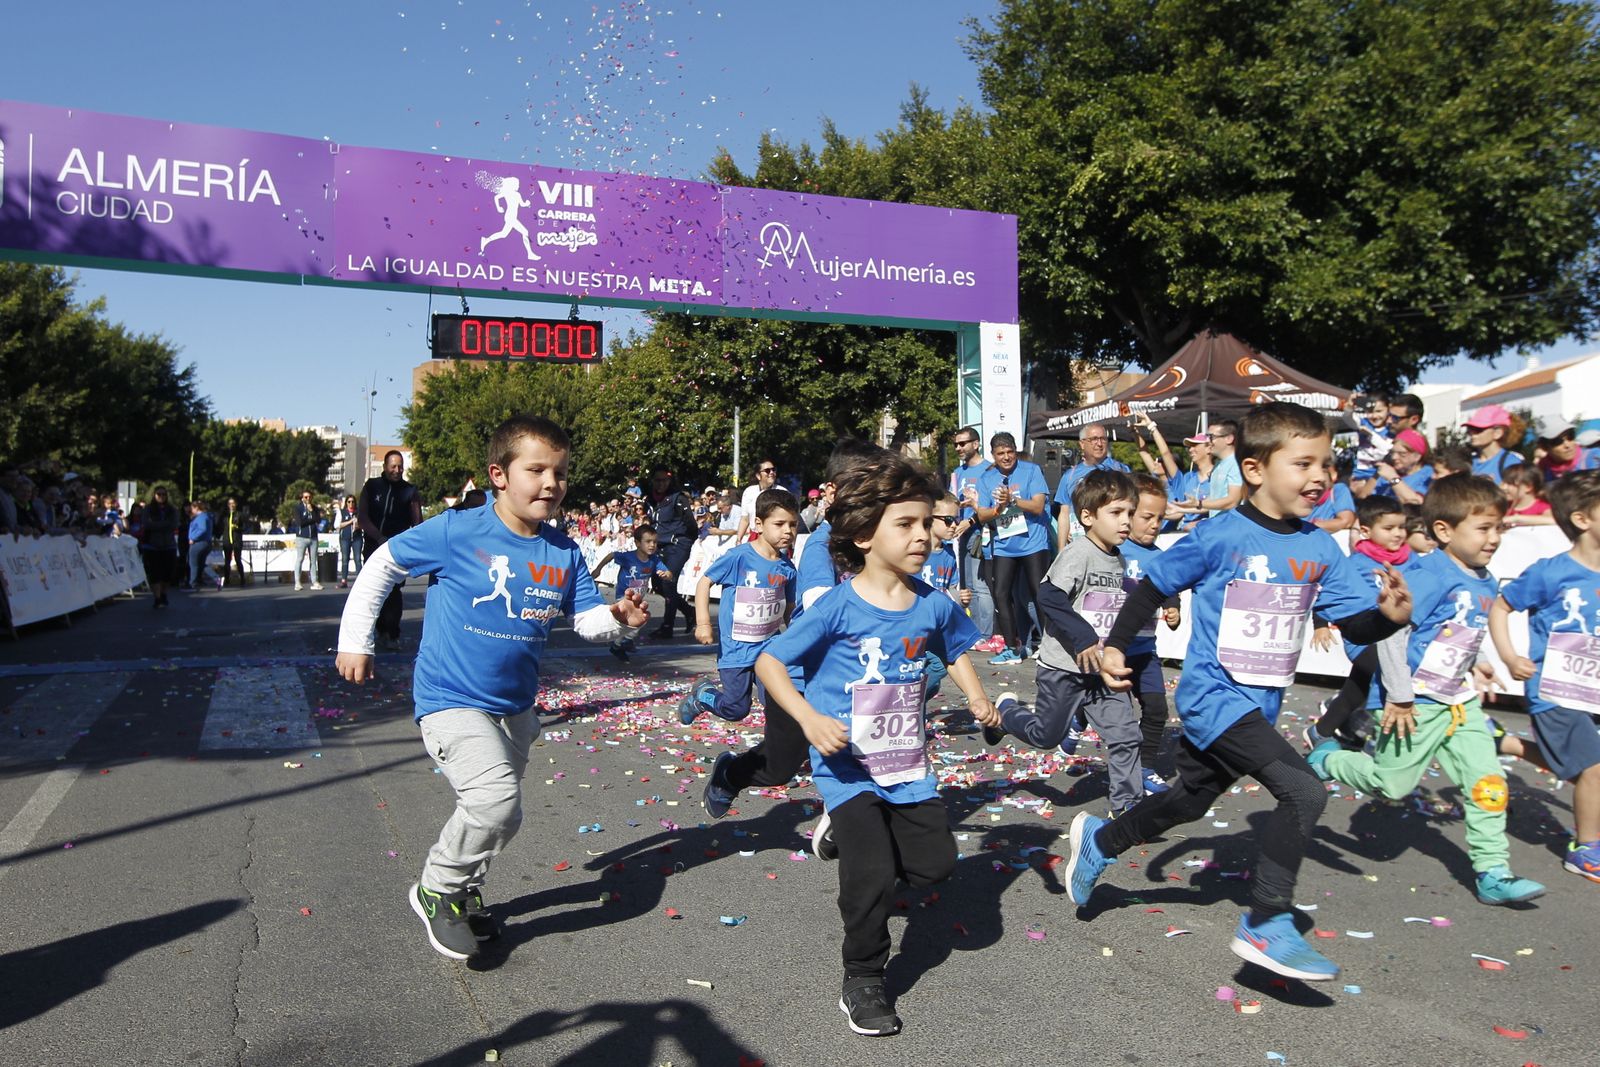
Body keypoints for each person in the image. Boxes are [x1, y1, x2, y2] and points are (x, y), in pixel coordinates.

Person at [1068, 402, 1411, 982]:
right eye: (1303, 463)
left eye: (1326, 464)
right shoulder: (1221, 535)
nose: (1320, 476)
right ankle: (1266, 920)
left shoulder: (1322, 548)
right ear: (1254, 469)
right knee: (1304, 792)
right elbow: (1152, 584)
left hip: (1260, 705)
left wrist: (1388, 618)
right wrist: (1118, 645)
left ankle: (1101, 841)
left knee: (1190, 800)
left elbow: (1354, 624)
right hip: (1213, 697)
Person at [335, 415, 648, 960]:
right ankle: (436, 889)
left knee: (500, 812)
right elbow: (384, 564)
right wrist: (355, 639)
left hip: (516, 708)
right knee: (495, 800)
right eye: (536, 470)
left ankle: (462, 890)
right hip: (450, 699)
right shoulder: (459, 529)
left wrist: (618, 617)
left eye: (561, 472)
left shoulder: (564, 551)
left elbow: (587, 622)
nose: (551, 483)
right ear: (498, 475)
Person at [752, 450, 1001, 1037]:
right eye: (907, 524)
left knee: (936, 868)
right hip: (847, 765)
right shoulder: (839, 606)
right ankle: (863, 978)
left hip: (906, 764)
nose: (924, 535)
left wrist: (976, 696)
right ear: (864, 535)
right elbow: (771, 661)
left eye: (928, 523)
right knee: (871, 876)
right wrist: (810, 719)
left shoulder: (933, 603)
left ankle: (847, 836)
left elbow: (956, 645)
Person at [1310, 475, 1546, 905]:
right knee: (1391, 786)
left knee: (1488, 783)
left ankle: (1493, 872)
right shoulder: (1429, 574)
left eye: (1499, 528)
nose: (1494, 539)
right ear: (1444, 530)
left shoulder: (1484, 577)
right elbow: (1391, 632)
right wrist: (1399, 695)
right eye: (1484, 528)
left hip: (1458, 703)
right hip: (1412, 703)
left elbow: (1455, 630)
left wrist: (1477, 663)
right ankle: (1329, 758)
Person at [700, 439, 886, 825]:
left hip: (856, 673)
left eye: (876, 489)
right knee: (779, 767)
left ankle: (857, 824)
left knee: (871, 750)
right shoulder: (822, 547)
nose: (871, 500)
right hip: (807, 677)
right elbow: (820, 604)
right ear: (833, 491)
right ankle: (730, 773)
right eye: (861, 489)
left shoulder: (877, 539)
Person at [988, 469, 1145, 816]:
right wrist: (1084, 637)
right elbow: (1049, 596)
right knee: (1046, 737)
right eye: (1117, 513)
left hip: (1100, 670)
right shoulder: (1079, 553)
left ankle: (1128, 806)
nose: (1126, 521)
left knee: (1125, 735)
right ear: (1087, 517)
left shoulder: (1117, 558)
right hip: (1064, 669)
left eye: (1130, 514)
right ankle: (1007, 714)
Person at [1491, 468, 1600, 885]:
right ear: (1582, 519)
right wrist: (1510, 655)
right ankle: (1585, 848)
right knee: (1593, 769)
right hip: (1552, 688)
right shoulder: (1551, 572)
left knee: (1579, 769)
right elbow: (1502, 606)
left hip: (1590, 689)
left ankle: (1508, 743)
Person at [1305, 496, 1420, 751]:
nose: (1398, 534)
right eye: (1389, 528)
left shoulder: (1411, 560)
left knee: (1356, 689)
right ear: (1366, 531)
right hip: (1363, 637)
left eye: (1401, 527)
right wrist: (1321, 624)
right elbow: (1329, 593)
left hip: (1398, 638)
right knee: (1388, 678)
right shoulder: (1356, 563)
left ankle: (1321, 730)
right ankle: (1381, 741)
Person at [682, 488, 800, 736]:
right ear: (758, 523)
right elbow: (704, 583)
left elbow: (789, 609)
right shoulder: (739, 557)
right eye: (779, 524)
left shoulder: (788, 568)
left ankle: (775, 756)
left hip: (770, 649)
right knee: (736, 709)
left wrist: (799, 638)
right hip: (736, 649)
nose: (788, 531)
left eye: (793, 524)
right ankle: (703, 696)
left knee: (777, 705)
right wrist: (703, 623)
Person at [1116, 473, 1182, 792]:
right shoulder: (1112, 550)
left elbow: (1170, 590)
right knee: (1112, 713)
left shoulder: (1160, 557)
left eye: (1159, 518)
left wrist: (1173, 609)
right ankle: (1077, 721)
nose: (1155, 524)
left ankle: (1145, 766)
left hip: (1143, 649)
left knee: (1156, 709)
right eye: (1147, 517)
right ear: (1128, 513)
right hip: (1107, 651)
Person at [972, 432, 1051, 665]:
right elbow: (982, 514)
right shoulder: (987, 479)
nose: (1006, 457)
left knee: (1040, 593)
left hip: (1033, 542)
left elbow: (1038, 506)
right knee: (1000, 594)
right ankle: (1011, 648)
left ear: (1016, 450)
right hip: (1005, 545)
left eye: (1010, 452)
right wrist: (998, 508)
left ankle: (1049, 646)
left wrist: (1013, 501)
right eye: (1001, 453)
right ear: (993, 456)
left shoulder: (1031, 471)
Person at [359, 451, 423, 649]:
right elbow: (363, 517)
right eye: (393, 466)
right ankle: (378, 630)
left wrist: (413, 546)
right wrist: (378, 537)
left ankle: (393, 634)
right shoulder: (372, 486)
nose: (397, 470)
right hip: (373, 545)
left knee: (394, 592)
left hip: (397, 549)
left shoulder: (409, 491)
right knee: (374, 591)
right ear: (385, 467)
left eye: (400, 466)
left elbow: (418, 522)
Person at [591, 524, 670, 662]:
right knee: (632, 621)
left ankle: (620, 643)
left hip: (638, 597)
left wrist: (666, 575)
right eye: (648, 541)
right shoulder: (628, 557)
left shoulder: (654, 560)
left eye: (655, 542)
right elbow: (611, 555)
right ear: (637, 543)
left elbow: (669, 573)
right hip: (623, 596)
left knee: (638, 621)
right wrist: (598, 569)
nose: (652, 545)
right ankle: (620, 644)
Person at [949, 426, 999, 649]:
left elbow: (994, 507)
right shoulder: (958, 472)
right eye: (956, 444)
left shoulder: (989, 470)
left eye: (963, 443)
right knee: (967, 585)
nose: (958, 448)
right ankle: (975, 633)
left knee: (980, 586)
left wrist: (970, 520)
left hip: (983, 533)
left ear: (976, 444)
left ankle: (985, 634)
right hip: (961, 534)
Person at [1053, 421, 1131, 548]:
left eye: (1103, 439)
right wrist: (1061, 549)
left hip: (1115, 546)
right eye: (1094, 439)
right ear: (1082, 444)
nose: (1099, 444)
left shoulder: (1121, 470)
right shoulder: (1070, 475)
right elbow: (1064, 513)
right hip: (1080, 544)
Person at [645, 467, 698, 638]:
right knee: (657, 583)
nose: (661, 484)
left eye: (664, 481)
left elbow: (690, 523)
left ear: (669, 481)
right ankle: (689, 611)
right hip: (660, 545)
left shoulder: (678, 498)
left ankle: (667, 626)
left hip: (678, 544)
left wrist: (685, 540)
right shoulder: (650, 500)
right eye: (657, 480)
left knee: (668, 581)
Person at [139, 486, 180, 609]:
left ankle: (164, 593)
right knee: (154, 573)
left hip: (168, 545)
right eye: (158, 494)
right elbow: (146, 524)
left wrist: (157, 525)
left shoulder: (172, 510)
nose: (161, 496)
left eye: (163, 494)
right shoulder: (148, 509)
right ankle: (157, 597)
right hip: (152, 546)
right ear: (154, 495)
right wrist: (162, 525)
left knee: (167, 573)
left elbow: (173, 524)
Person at [1375, 428, 1432, 506]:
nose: (1394, 457)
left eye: (1402, 454)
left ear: (1417, 456)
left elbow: (1416, 503)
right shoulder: (1388, 472)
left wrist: (1393, 479)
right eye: (1392, 453)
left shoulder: (1428, 475)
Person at [1465, 404, 1520, 483]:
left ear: (1497, 433)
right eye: (1470, 429)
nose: (1472, 433)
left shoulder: (1511, 463)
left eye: (1478, 429)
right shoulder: (1468, 462)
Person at [1534, 420, 1600, 480]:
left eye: (1570, 436)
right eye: (1557, 441)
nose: (1567, 445)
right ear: (1544, 447)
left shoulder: (1594, 457)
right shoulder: (1543, 471)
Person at [735, 458, 779, 540]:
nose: (772, 473)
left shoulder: (782, 492)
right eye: (767, 470)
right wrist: (738, 539)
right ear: (758, 476)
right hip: (755, 537)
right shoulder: (749, 492)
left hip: (776, 538)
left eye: (773, 470)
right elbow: (745, 519)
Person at [291, 490, 323, 592]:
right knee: (300, 559)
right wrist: (310, 518)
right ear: (302, 498)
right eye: (306, 497)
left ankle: (314, 581)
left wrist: (312, 511)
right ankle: (297, 582)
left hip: (313, 537)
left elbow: (318, 520)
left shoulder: (314, 508)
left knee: (313, 560)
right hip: (302, 537)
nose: (308, 499)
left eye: (309, 497)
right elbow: (300, 522)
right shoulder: (298, 508)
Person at [186, 500, 215, 591]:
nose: (191, 510)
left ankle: (192, 583)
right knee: (200, 563)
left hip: (199, 543)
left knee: (193, 563)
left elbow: (202, 529)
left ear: (196, 508)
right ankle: (199, 580)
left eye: (192, 508)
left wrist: (193, 538)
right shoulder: (207, 516)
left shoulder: (201, 517)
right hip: (206, 542)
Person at [335, 495, 361, 588]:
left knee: (357, 559)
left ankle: (360, 580)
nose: (351, 504)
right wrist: (350, 522)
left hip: (357, 538)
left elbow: (364, 524)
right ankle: (344, 580)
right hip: (345, 539)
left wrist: (358, 525)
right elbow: (337, 525)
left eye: (353, 501)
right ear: (346, 503)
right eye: (349, 502)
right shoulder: (341, 512)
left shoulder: (358, 512)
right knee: (345, 560)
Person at [219, 498, 246, 588]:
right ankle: (227, 579)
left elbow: (244, 527)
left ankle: (242, 578)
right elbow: (220, 526)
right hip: (227, 540)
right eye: (230, 503)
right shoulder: (225, 515)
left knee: (238, 559)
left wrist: (236, 528)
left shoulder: (239, 515)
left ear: (236, 504)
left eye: (233, 503)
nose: (231, 505)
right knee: (227, 560)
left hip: (236, 540)